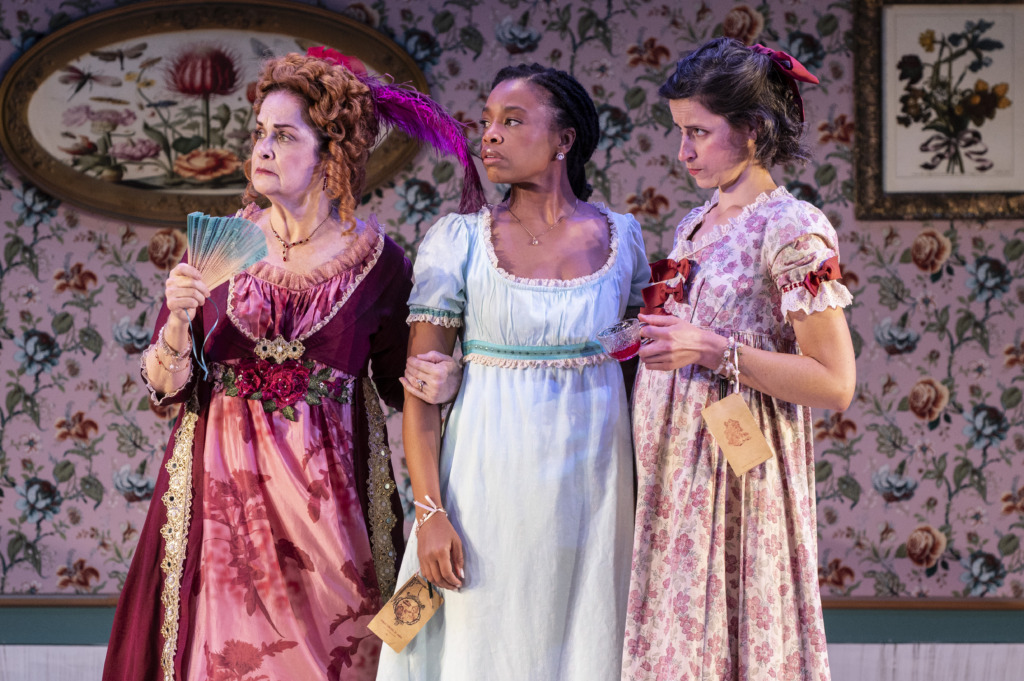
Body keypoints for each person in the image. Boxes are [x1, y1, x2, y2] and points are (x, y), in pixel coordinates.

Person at [102, 48, 481, 681]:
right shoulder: (221, 249)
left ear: (330, 151)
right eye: (259, 134)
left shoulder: (380, 265)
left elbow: (403, 390)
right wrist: (174, 318)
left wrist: (446, 381)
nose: (263, 149)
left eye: (284, 135)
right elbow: (166, 389)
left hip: (327, 520)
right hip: (223, 509)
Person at [376, 64, 650, 681]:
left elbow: (644, 383)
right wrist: (430, 513)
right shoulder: (458, 242)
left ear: (565, 139)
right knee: (481, 641)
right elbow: (421, 397)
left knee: (585, 644)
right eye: (487, 123)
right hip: (484, 487)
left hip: (597, 492)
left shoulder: (623, 239)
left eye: (513, 120)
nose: (489, 137)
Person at [622, 38, 856, 680]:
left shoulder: (792, 227)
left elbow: (835, 383)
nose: (683, 151)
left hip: (738, 477)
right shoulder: (695, 224)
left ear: (752, 130)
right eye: (679, 132)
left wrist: (714, 349)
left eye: (699, 131)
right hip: (676, 473)